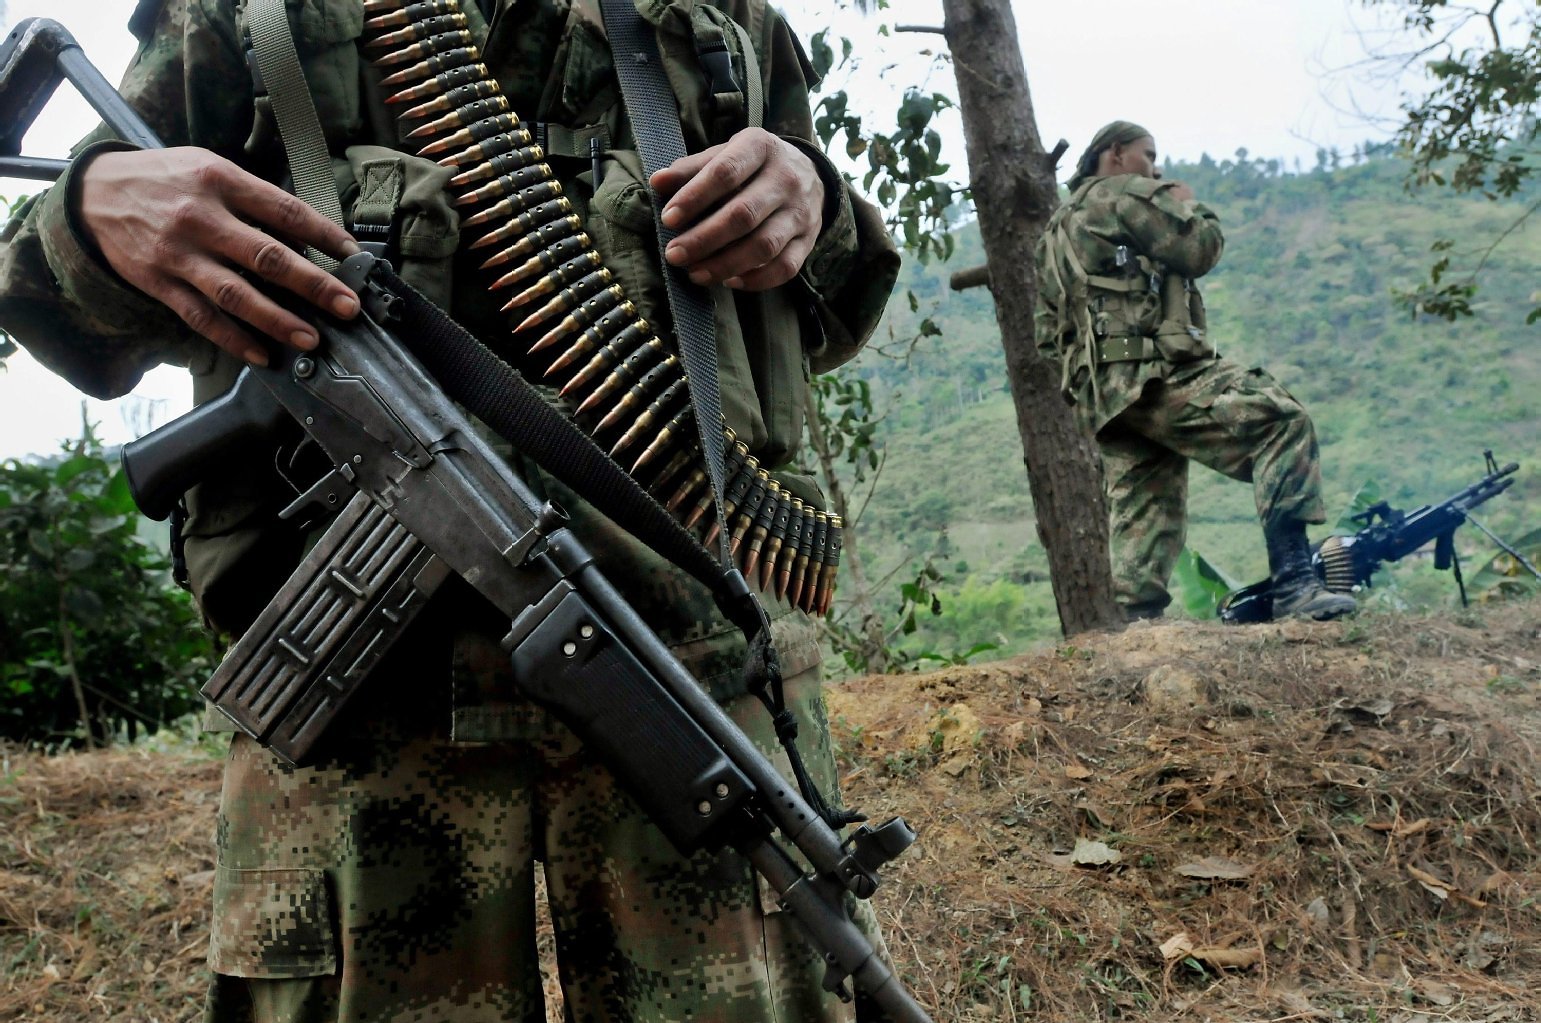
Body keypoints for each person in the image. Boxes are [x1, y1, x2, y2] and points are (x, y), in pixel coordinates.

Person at [0, 1, 902, 1020]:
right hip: (354, 720)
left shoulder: (715, 14)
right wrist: (91, 215)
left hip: (684, 675)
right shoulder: (248, 12)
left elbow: (816, 313)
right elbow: (40, 281)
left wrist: (809, 200)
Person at [1033, 120, 1354, 623]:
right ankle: (1296, 584)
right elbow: (1198, 249)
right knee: (1281, 420)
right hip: (1151, 376)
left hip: (1106, 399)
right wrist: (1190, 204)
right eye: (1146, 154)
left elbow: (1047, 334)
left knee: (1145, 504)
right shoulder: (1125, 194)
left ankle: (1138, 632)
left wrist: (1091, 388)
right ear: (1115, 154)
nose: (1155, 167)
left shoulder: (1055, 230)